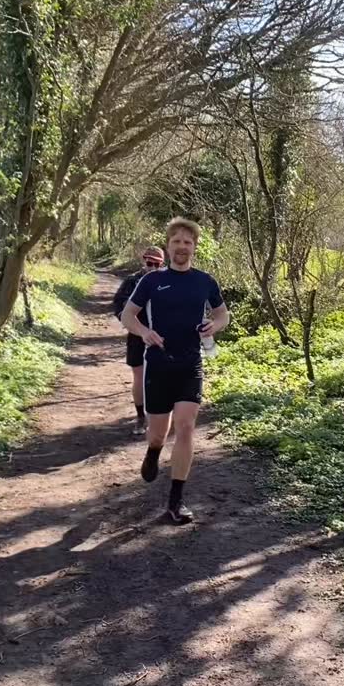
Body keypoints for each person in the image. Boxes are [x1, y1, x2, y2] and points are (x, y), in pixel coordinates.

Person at [121, 216, 229, 524]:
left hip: (190, 363)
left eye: (188, 242)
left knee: (185, 427)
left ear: (195, 247)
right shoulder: (151, 281)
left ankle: (175, 501)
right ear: (168, 247)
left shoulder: (205, 281)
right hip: (158, 364)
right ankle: (154, 451)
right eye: (177, 241)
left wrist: (215, 324)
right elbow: (128, 315)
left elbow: (223, 314)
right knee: (159, 434)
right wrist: (144, 332)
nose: (182, 247)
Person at [113, 245, 164, 435]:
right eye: (149, 263)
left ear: (162, 264)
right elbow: (118, 305)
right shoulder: (132, 281)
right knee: (139, 377)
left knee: (161, 377)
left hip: (161, 336)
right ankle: (140, 417)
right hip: (137, 335)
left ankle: (159, 415)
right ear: (143, 261)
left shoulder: (168, 282)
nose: (152, 267)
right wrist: (130, 317)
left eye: (156, 264)